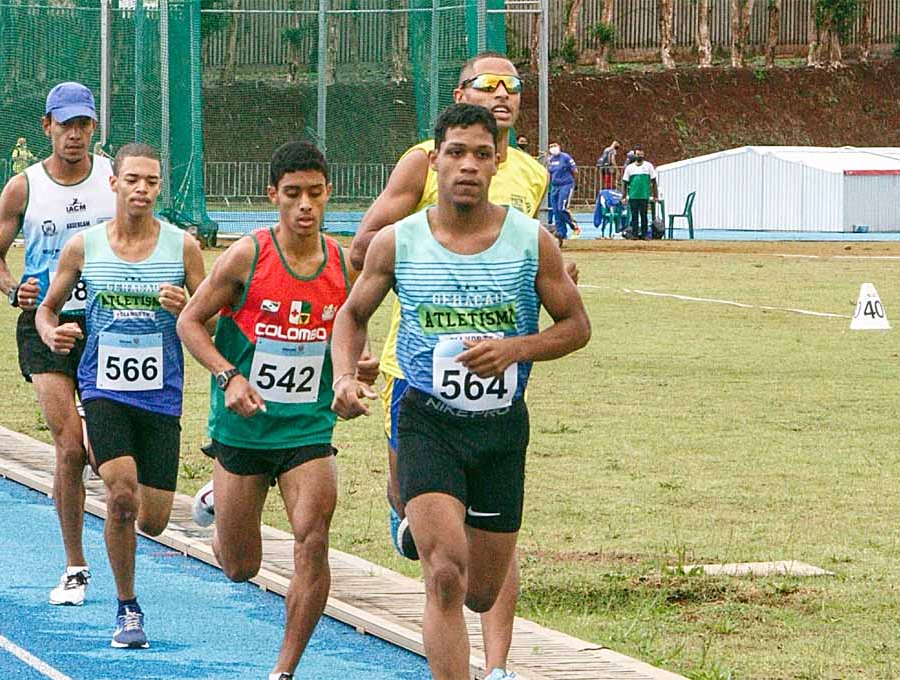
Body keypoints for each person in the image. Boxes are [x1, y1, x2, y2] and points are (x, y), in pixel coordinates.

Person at [331, 103, 591, 680]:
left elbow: (577, 327)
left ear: (498, 161)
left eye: (481, 153)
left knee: (479, 589)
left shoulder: (532, 241)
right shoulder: (398, 243)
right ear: (435, 161)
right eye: (456, 153)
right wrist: (346, 376)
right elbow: (350, 317)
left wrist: (516, 349)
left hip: (500, 426)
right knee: (445, 573)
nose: (468, 165)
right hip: (428, 418)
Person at [179, 141, 376, 680]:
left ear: (328, 193)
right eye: (293, 194)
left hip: (309, 428)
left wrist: (359, 371)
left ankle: (284, 671)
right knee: (242, 567)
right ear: (273, 196)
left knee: (313, 538)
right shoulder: (249, 255)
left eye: (315, 193)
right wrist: (228, 375)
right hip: (244, 426)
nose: (305, 205)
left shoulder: (343, 264)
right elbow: (190, 324)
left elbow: (353, 334)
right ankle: (219, 501)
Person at [37, 142, 204, 649]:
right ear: (114, 183)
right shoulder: (85, 247)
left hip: (161, 396)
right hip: (103, 389)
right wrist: (50, 333)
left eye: (152, 182)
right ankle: (128, 608)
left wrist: (189, 306)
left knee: (151, 517)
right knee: (123, 496)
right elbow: (47, 308)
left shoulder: (183, 248)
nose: (142, 190)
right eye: (133, 180)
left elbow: (212, 316)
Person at [0, 82, 115, 607]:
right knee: (69, 447)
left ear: (93, 128)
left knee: (106, 456)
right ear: (48, 127)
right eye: (66, 125)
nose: (75, 134)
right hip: (45, 323)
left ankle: (82, 497)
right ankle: (75, 565)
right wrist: (14, 289)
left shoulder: (113, 178)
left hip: (108, 324)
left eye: (84, 124)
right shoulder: (24, 187)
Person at [621, 151, 659, 239]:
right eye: (638, 154)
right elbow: (625, 182)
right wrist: (623, 196)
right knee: (634, 216)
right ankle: (634, 234)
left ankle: (644, 234)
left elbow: (654, 181)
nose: (640, 156)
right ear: (635, 155)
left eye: (641, 154)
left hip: (644, 195)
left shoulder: (648, 166)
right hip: (633, 195)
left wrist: (655, 195)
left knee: (644, 215)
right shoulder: (629, 168)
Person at [545, 141, 576, 244]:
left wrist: (573, 184)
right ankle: (561, 234)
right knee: (556, 211)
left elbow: (574, 171)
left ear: (559, 146)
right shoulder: (550, 159)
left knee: (562, 208)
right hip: (555, 187)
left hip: (566, 185)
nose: (553, 148)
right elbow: (549, 173)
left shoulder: (565, 157)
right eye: (551, 146)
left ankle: (574, 226)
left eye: (555, 146)